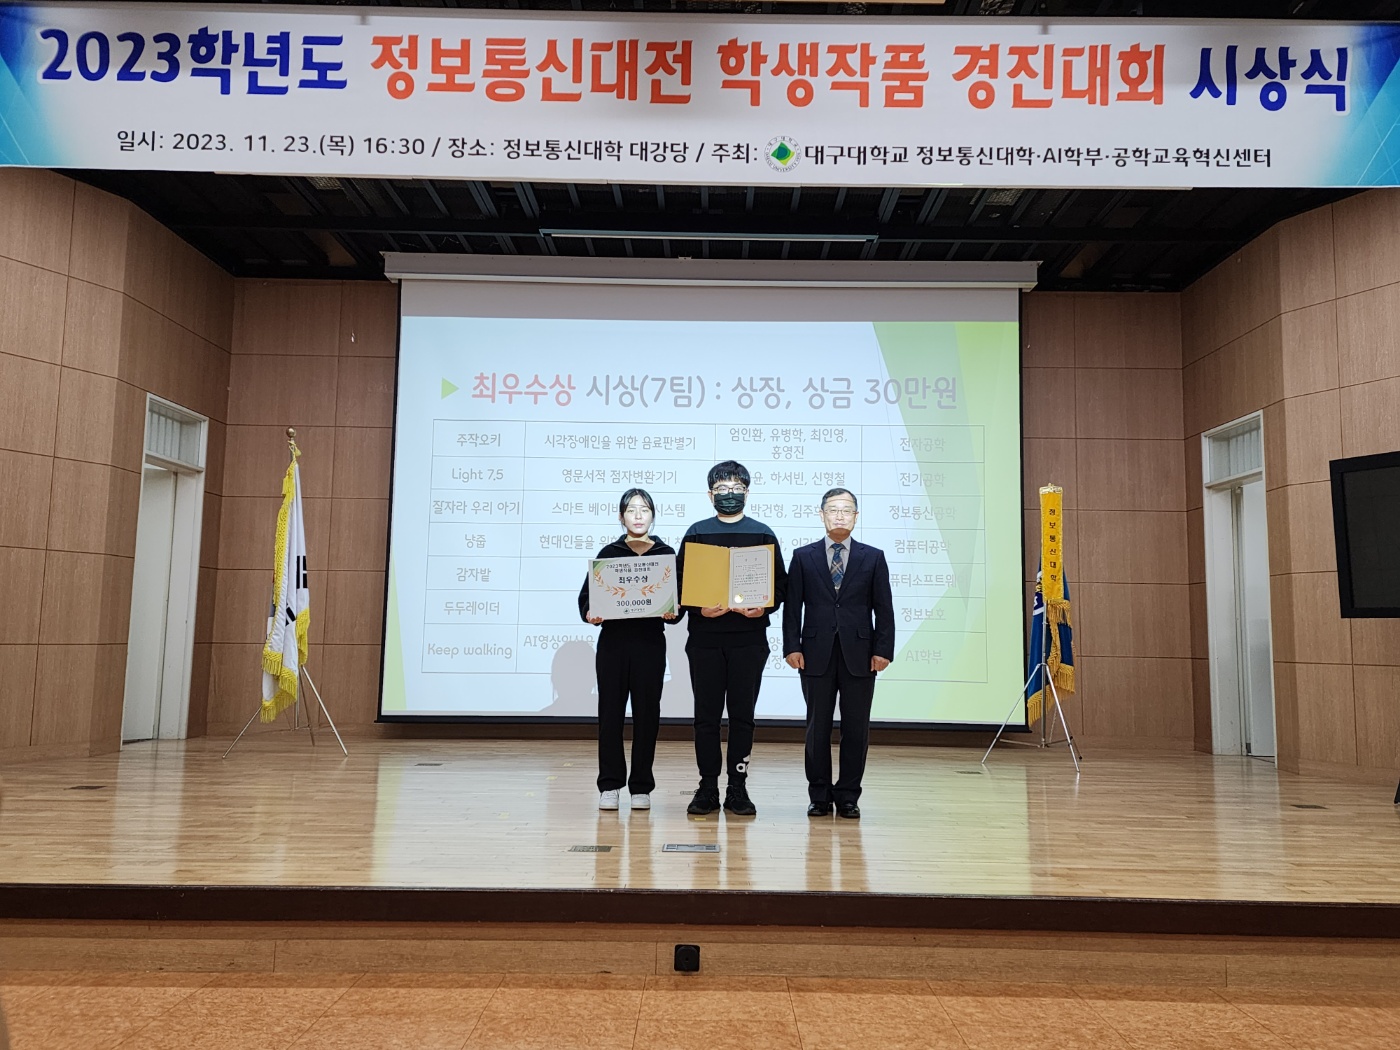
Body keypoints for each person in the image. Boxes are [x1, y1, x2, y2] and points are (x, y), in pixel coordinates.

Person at [676, 461, 787, 817]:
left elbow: (780, 586)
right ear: (709, 494)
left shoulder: (763, 534)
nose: (729, 494)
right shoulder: (696, 533)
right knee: (705, 717)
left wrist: (763, 608)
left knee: (743, 716)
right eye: (721, 489)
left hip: (748, 640)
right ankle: (707, 787)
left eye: (736, 488)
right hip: (705, 640)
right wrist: (698, 608)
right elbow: (679, 585)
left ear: (747, 493)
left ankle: (737, 787)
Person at [783, 488, 894, 819]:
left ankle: (848, 795)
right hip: (814, 653)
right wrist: (791, 646)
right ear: (822, 515)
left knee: (856, 728)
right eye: (833, 509)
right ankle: (819, 795)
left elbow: (884, 609)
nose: (840, 515)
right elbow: (792, 608)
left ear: (856, 517)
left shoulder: (873, 557)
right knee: (817, 727)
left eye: (847, 510)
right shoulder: (803, 556)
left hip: (860, 654)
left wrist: (883, 650)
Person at [579, 488, 678, 812]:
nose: (638, 515)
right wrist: (591, 614)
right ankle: (609, 785)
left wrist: (673, 612)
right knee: (610, 715)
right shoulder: (609, 553)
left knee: (647, 715)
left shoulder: (665, 554)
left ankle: (641, 786)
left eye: (644, 509)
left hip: (649, 644)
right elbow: (586, 600)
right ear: (621, 517)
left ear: (653, 515)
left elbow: (678, 602)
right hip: (614, 645)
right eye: (631, 510)